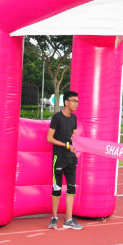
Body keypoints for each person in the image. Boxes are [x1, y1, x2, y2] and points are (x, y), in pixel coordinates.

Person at [46, 90, 83, 230]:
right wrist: (66, 145)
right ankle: (54, 218)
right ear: (66, 102)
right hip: (59, 158)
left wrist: (78, 145)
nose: (76, 103)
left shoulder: (74, 118)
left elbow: (74, 136)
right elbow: (49, 138)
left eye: (77, 101)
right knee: (57, 189)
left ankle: (69, 219)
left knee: (71, 190)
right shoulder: (57, 117)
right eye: (74, 101)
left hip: (71, 159)